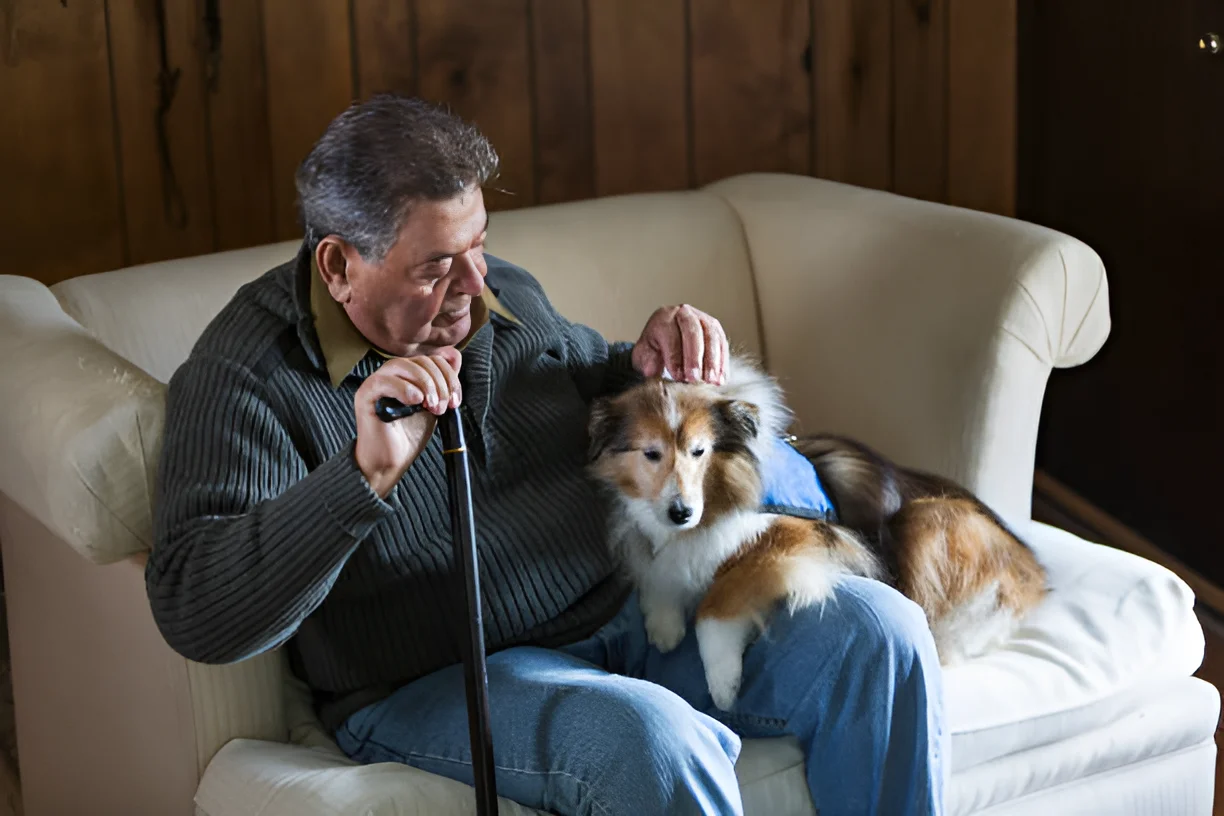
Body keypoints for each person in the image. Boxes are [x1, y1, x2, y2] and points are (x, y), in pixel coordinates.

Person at [147, 94, 946, 816]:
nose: (473, 283)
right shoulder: (244, 378)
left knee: (881, 631)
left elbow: (585, 381)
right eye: (434, 266)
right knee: (653, 739)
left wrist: (651, 360)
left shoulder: (497, 298)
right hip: (441, 677)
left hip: (617, 613)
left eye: (479, 245)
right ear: (337, 265)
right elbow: (196, 607)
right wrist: (364, 477)